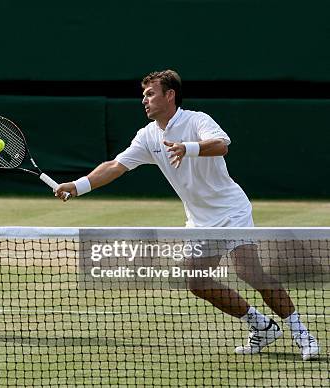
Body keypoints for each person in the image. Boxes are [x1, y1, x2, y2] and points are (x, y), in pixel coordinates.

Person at [54, 70, 320, 361]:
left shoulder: (196, 120)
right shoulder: (147, 136)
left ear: (170, 95)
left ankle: (301, 332)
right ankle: (261, 326)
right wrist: (77, 186)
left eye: (150, 94)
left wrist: (188, 148)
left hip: (231, 210)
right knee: (196, 281)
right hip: (199, 220)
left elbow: (221, 145)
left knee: (248, 271)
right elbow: (116, 166)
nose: (144, 100)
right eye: (143, 95)